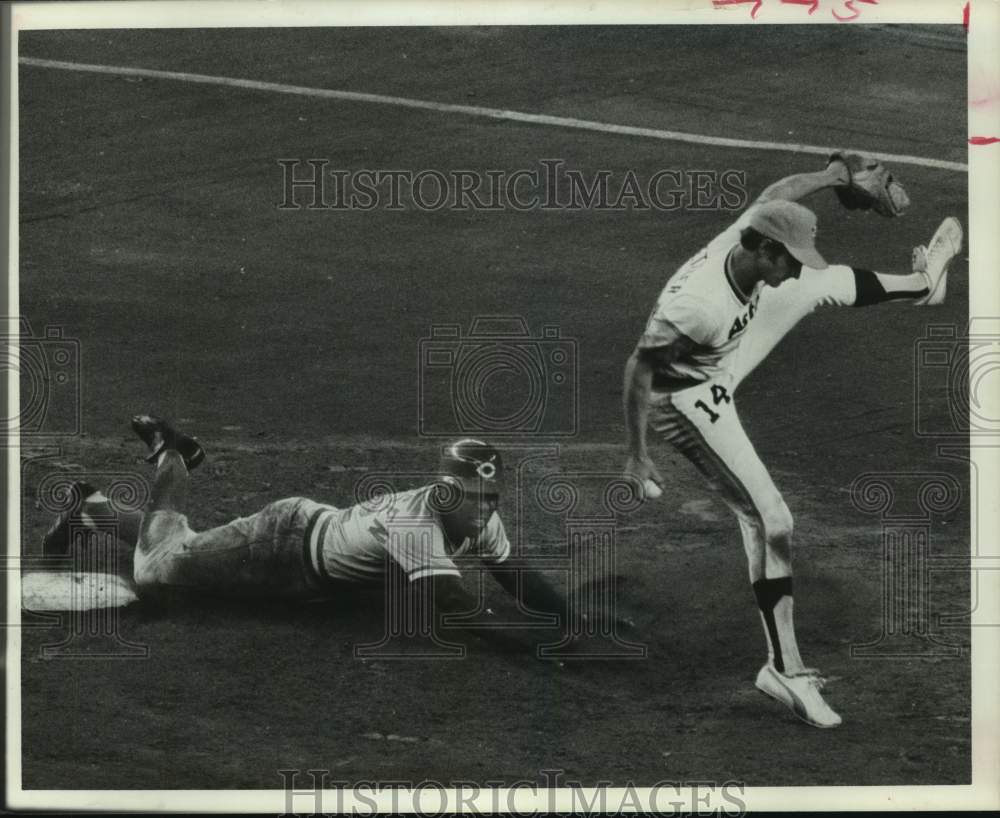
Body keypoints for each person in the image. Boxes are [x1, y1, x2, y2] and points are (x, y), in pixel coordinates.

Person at [622, 157, 963, 728]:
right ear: (763, 251)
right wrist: (637, 453)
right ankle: (784, 670)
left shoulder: (751, 238)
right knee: (771, 520)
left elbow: (774, 193)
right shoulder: (698, 305)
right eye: (790, 260)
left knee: (820, 285)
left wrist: (836, 176)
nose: (795, 268)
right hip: (688, 401)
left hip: (724, 350)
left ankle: (925, 285)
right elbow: (640, 368)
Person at [46, 416, 575, 649]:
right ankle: (172, 453)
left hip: (305, 551)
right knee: (154, 571)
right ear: (447, 491)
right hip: (279, 549)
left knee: (182, 549)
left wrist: (571, 617)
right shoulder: (416, 522)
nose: (485, 511)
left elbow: (513, 573)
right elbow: (457, 603)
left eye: (492, 499)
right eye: (475, 498)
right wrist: (528, 643)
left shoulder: (476, 515)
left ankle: (91, 510)